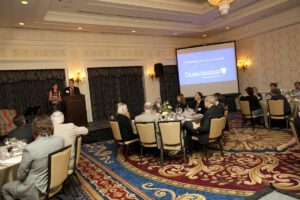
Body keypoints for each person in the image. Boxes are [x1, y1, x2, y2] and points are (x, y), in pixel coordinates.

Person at [2, 115, 64, 200]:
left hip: (36, 188)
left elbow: (21, 176)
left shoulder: (30, 148)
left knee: (4, 188)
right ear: (51, 126)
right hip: (55, 181)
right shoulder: (60, 140)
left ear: (34, 129)